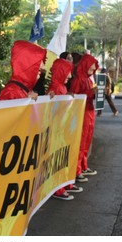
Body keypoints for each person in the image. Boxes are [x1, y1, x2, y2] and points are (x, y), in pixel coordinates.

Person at [47, 58, 83, 200]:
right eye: (67, 72)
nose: (70, 76)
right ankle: (58, 188)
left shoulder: (60, 87)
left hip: (63, 128)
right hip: (58, 130)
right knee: (59, 159)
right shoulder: (55, 88)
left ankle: (64, 184)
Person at [69, 54, 99, 182]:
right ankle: (77, 170)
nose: (93, 71)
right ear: (85, 65)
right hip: (82, 113)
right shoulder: (78, 79)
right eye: (91, 69)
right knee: (81, 141)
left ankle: (83, 166)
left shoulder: (89, 79)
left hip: (89, 112)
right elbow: (74, 98)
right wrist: (91, 93)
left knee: (86, 141)